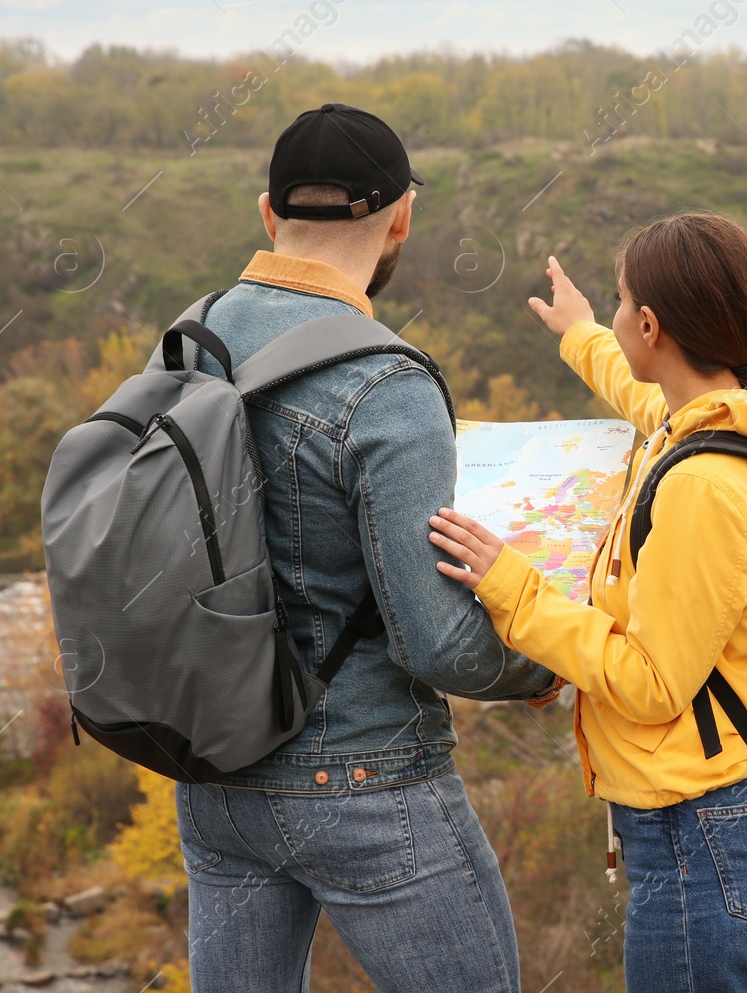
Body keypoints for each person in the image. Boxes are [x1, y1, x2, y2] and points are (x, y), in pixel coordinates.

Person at [174, 103, 562, 993]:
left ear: (267, 216)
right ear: (402, 217)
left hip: (215, 773)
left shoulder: (188, 340)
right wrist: (544, 667)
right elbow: (438, 644)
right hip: (366, 774)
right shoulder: (386, 383)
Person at [428, 212, 747, 992]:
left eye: (624, 303)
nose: (619, 313)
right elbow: (639, 388)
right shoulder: (725, 411)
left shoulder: (704, 486)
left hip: (706, 838)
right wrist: (582, 331)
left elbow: (650, 682)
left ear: (654, 324)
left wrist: (508, 581)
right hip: (709, 820)